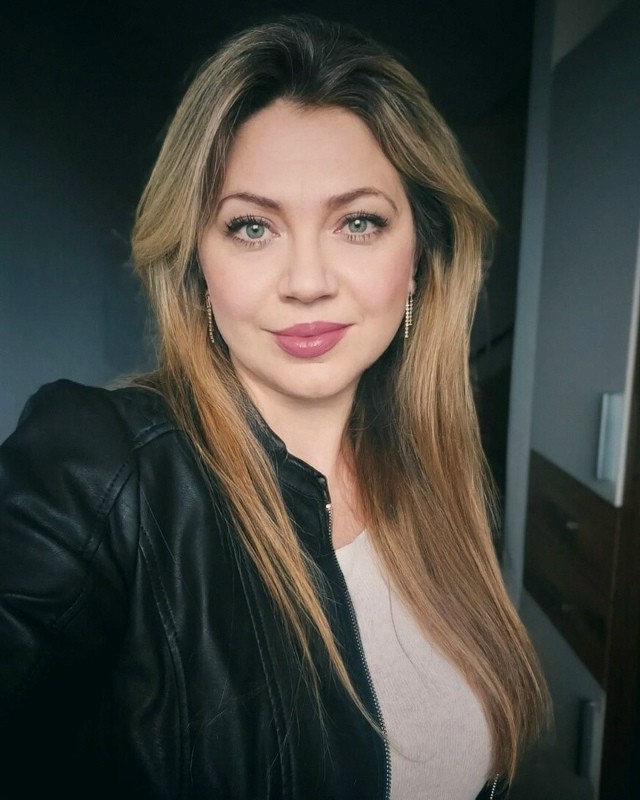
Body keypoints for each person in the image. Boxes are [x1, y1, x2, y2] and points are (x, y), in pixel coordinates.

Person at [0, 15, 549, 800]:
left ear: (419, 258)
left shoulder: (439, 479)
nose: (307, 281)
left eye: (358, 222)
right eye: (253, 227)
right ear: (198, 263)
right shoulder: (94, 470)